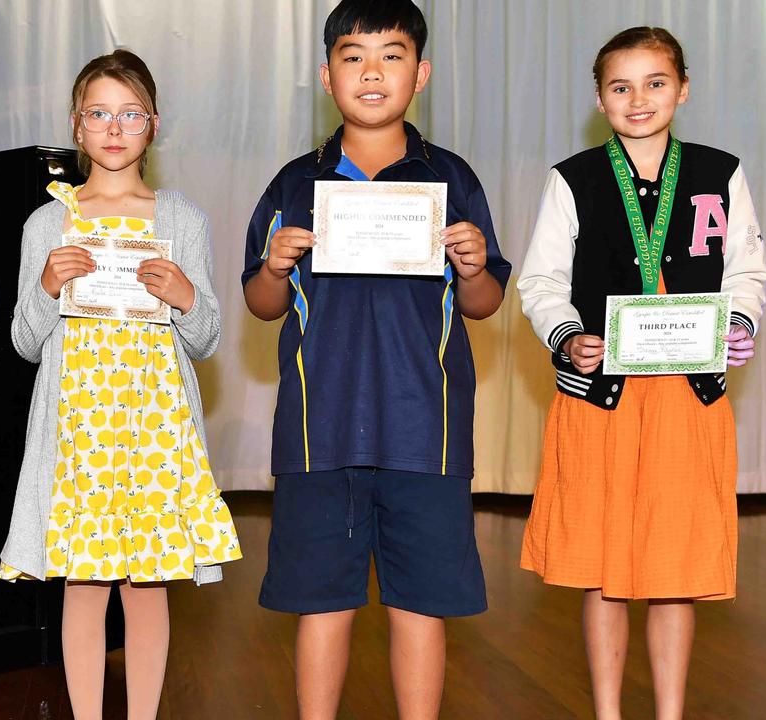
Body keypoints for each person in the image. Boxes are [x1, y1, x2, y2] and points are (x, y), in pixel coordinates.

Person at [240, 1, 512, 717]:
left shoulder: (452, 178)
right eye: (353, 55)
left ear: (419, 74)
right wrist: (272, 267)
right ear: (326, 75)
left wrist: (477, 266)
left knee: (420, 605)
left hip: (428, 433)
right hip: (316, 432)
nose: (371, 71)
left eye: (391, 55)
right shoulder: (293, 184)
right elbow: (263, 304)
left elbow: (483, 303)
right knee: (321, 603)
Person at [518, 26, 766, 720]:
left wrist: (739, 325)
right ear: (599, 99)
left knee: (675, 571)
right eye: (620, 86)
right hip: (600, 400)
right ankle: (606, 712)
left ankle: (669, 712)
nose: (639, 99)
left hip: (689, 399)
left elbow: (748, 271)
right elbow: (540, 281)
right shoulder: (573, 179)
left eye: (656, 83)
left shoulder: (721, 172)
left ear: (682, 89)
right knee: (604, 573)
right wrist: (569, 338)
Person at [0, 49, 241, 720]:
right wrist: (47, 286)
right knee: (84, 581)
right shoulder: (49, 222)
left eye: (129, 114)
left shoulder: (180, 220)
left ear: (153, 125)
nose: (114, 127)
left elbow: (208, 338)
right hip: (79, 427)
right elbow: (22, 338)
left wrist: (188, 296)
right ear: (76, 126)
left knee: (146, 583)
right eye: (99, 113)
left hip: (152, 428)